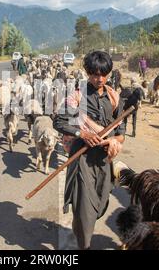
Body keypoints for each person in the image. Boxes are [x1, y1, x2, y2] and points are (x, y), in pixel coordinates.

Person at [53, 50, 126, 250]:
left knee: (100, 204)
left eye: (104, 74)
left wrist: (111, 141)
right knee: (85, 208)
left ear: (109, 73)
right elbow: (58, 122)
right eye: (95, 74)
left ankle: (80, 227)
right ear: (87, 72)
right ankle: (83, 245)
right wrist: (82, 134)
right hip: (82, 158)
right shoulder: (77, 95)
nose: (99, 79)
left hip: (104, 160)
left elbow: (121, 133)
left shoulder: (114, 97)